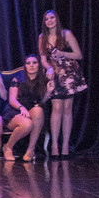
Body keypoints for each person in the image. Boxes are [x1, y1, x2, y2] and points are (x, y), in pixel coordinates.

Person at [39, 10, 87, 157]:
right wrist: (48, 68)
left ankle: (65, 145)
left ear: (56, 19)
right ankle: (54, 145)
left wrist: (62, 53)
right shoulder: (42, 37)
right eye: (47, 19)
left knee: (67, 108)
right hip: (54, 72)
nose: (49, 20)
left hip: (69, 73)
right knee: (57, 107)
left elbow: (78, 55)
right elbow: (43, 59)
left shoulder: (66, 34)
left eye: (52, 18)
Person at [5, 54, 50, 162]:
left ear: (39, 65)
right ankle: (8, 147)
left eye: (34, 63)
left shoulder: (43, 80)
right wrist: (21, 108)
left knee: (38, 110)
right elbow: (12, 99)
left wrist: (48, 92)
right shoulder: (18, 79)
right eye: (28, 63)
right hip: (16, 110)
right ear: (25, 66)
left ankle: (30, 149)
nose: (31, 65)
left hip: (33, 110)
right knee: (27, 124)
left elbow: (42, 102)